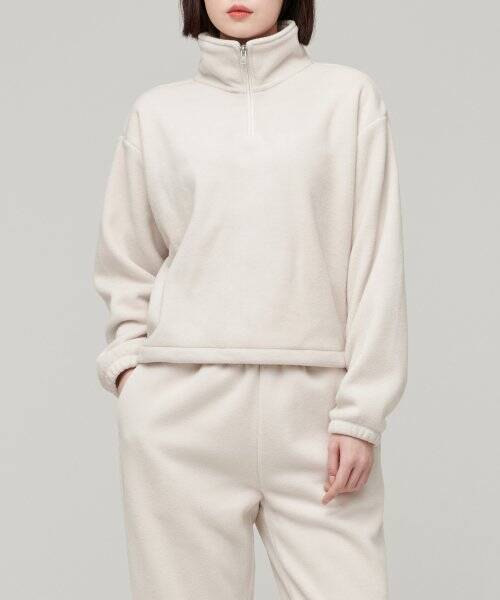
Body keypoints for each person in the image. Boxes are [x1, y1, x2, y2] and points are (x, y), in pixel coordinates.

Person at [93, 0, 408, 598]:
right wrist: (132, 375)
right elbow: (126, 259)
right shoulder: (157, 114)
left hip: (316, 414)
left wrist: (361, 415)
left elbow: (376, 260)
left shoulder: (347, 98)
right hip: (182, 413)